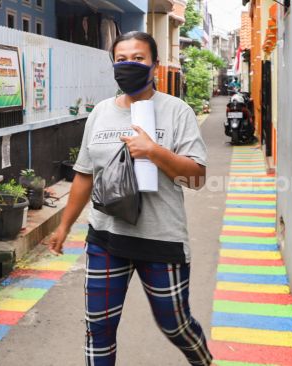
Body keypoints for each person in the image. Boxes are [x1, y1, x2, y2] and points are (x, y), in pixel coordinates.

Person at [47, 31, 213, 366]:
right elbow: (84, 174)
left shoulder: (176, 111)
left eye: (138, 59)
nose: (129, 66)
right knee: (99, 328)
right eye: (121, 59)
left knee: (175, 324)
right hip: (107, 237)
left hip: (160, 238)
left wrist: (153, 151)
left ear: (154, 64)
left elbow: (195, 178)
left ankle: (203, 361)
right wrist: (64, 225)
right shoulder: (101, 113)